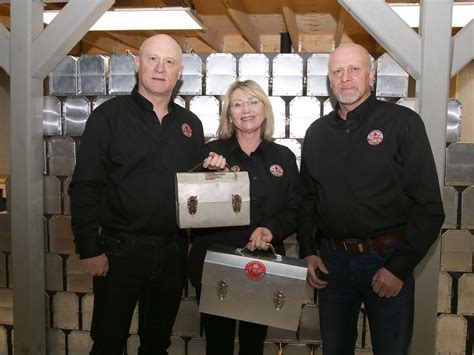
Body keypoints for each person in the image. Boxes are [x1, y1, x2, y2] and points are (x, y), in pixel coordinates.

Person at [69, 34, 224, 355]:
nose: (160, 68)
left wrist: (215, 172)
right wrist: (88, 249)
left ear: (179, 72)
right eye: (152, 59)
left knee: (157, 344)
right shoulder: (108, 116)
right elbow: (85, 185)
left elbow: (194, 189)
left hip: (172, 254)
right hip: (118, 253)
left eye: (169, 62)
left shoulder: (190, 125)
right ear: (137, 63)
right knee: (108, 341)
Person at [297, 43, 445, 355]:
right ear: (330, 80)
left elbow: (429, 207)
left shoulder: (402, 123)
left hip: (387, 260)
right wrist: (309, 250)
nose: (346, 77)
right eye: (337, 71)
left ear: (372, 74)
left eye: (354, 69)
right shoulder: (316, 133)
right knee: (335, 349)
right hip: (332, 264)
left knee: (391, 350)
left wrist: (399, 268)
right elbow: (308, 198)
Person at [187, 80, 301, 355]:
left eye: (253, 102)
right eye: (237, 104)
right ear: (229, 115)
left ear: (265, 110)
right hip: (216, 262)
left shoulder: (283, 157)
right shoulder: (211, 153)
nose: (246, 109)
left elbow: (296, 209)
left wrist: (270, 230)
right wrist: (209, 176)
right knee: (218, 345)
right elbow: (190, 206)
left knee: (253, 345)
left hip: (262, 264)